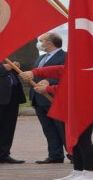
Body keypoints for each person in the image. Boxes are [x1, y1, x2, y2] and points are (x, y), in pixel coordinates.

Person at [20, 66, 93, 180]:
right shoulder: (74, 63)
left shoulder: (86, 67)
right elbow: (56, 70)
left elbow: (72, 87)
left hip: (83, 107)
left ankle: (89, 173)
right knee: (73, 141)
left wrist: (48, 89)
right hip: (68, 107)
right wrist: (34, 72)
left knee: (83, 140)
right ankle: (78, 171)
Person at [30, 32, 68, 165]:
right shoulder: (41, 58)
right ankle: (55, 155)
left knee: (62, 128)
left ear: (50, 43)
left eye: (42, 40)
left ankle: (74, 154)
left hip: (54, 97)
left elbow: (65, 74)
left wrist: (48, 81)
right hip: (38, 98)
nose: (39, 43)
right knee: (48, 129)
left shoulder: (65, 56)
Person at [0, 62, 26, 165]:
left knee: (8, 127)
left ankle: (3, 154)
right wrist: (4, 68)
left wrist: (14, 67)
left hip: (12, 96)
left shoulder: (4, 57)